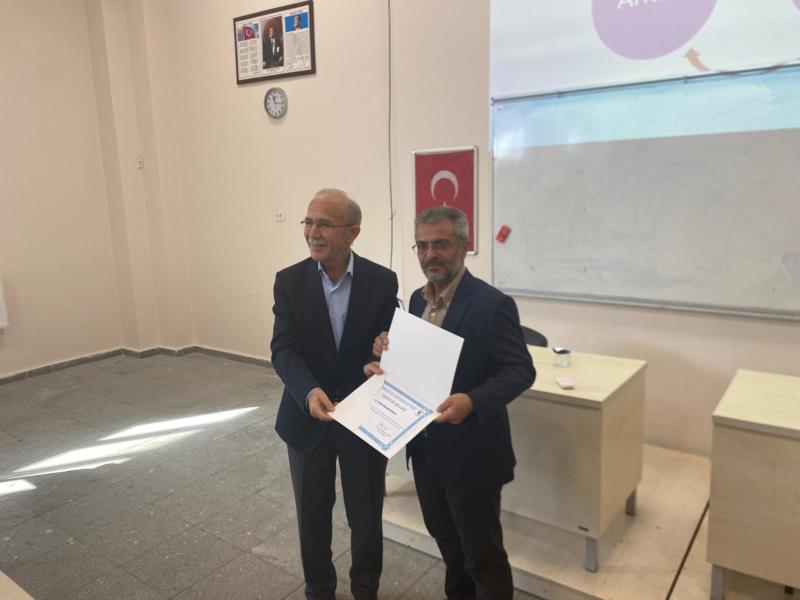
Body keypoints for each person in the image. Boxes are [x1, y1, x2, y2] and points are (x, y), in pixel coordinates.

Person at [369, 206, 535, 600]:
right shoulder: (416, 299)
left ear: (463, 245)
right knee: (447, 542)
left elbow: (520, 371)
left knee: (482, 556)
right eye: (422, 246)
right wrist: (386, 357)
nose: (431, 254)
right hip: (426, 451)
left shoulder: (493, 304)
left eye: (441, 244)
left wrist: (473, 400)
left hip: (472, 454)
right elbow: (420, 364)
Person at [271, 189, 398, 600]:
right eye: (308, 222)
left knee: (366, 517)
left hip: (364, 418)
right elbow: (283, 349)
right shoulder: (289, 282)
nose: (312, 232)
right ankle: (319, 590)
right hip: (308, 417)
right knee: (312, 516)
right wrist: (308, 391)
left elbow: (385, 344)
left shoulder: (382, 281)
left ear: (353, 232)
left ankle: (365, 589)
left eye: (324, 223)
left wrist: (382, 349)